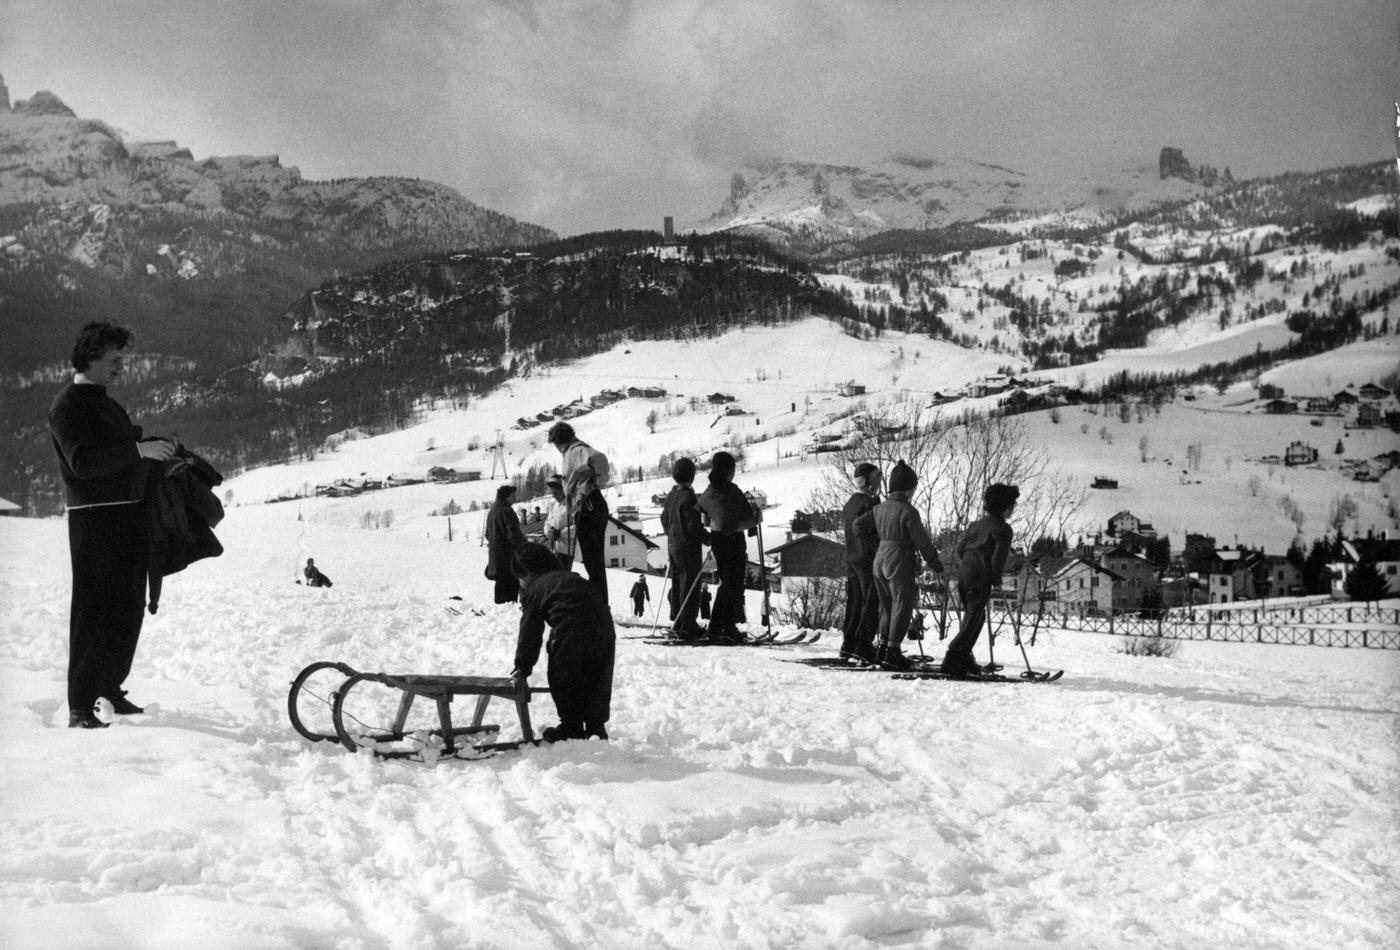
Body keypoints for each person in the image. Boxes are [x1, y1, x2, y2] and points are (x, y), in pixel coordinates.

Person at [49, 321, 176, 729]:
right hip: (94, 521)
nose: (122, 367)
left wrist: (151, 450)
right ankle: (81, 704)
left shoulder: (105, 403)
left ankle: (107, 689)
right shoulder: (68, 405)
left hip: (125, 516)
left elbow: (118, 453)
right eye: (115, 359)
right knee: (93, 610)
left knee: (125, 608)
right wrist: (138, 449)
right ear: (92, 357)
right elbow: (83, 462)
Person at [509, 542, 615, 741]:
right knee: (597, 675)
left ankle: (571, 726)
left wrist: (522, 666)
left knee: (563, 675)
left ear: (528, 573)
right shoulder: (570, 577)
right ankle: (596, 727)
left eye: (519, 579)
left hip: (571, 630)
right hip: (604, 627)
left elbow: (530, 632)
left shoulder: (535, 589)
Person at [854, 459, 944, 671]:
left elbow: (858, 525)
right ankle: (894, 652)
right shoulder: (908, 511)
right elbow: (921, 540)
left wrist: (876, 544)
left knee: (885, 605)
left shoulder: (879, 508)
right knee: (902, 604)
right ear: (908, 488)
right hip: (899, 558)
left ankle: (884, 647)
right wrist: (935, 563)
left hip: (880, 558)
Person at [941, 483, 1019, 677]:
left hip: (964, 574)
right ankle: (953, 658)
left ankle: (965, 657)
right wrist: (995, 578)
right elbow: (998, 558)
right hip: (980, 576)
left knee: (974, 616)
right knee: (975, 616)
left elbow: (960, 549)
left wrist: (970, 564)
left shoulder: (976, 525)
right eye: (1013, 504)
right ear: (1007, 506)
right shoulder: (1003, 529)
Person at [697, 451, 760, 642]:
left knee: (727, 582)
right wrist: (756, 517)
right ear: (729, 471)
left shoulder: (709, 491)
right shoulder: (732, 490)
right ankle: (720, 627)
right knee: (733, 584)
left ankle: (724, 626)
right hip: (734, 540)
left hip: (717, 540)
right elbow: (748, 517)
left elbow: (706, 517)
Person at [546, 422, 610, 602]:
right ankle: (600, 602)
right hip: (590, 506)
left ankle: (600, 605)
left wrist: (592, 485)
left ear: (558, 442)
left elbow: (599, 459)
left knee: (593, 561)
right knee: (594, 561)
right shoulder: (574, 450)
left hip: (588, 506)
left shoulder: (575, 451)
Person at [660, 456, 710, 639]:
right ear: (692, 476)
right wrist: (707, 538)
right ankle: (688, 624)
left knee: (677, 580)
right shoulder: (688, 497)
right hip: (687, 547)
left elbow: (664, 519)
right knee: (690, 583)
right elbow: (692, 525)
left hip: (672, 545)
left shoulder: (671, 496)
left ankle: (678, 619)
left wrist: (670, 532)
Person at [840, 462, 882, 663]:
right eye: (877, 478)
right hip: (866, 558)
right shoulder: (870, 504)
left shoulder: (850, 503)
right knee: (871, 602)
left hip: (851, 557)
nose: (880, 481)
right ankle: (863, 646)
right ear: (868, 481)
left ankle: (848, 644)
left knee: (854, 602)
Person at [484, 484, 527, 604]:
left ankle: (500, 612)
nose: (515, 498)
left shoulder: (492, 511)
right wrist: (526, 545)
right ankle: (508, 611)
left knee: (500, 586)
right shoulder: (507, 511)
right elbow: (513, 535)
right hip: (508, 558)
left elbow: (487, 534)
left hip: (496, 556)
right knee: (510, 589)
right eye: (513, 496)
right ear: (507, 496)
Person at [542, 474, 574, 571]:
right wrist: (548, 532)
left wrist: (560, 533)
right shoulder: (553, 506)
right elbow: (547, 523)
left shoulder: (571, 504)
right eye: (553, 494)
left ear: (563, 490)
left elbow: (577, 527)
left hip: (566, 551)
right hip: (554, 550)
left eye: (556, 493)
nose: (554, 496)